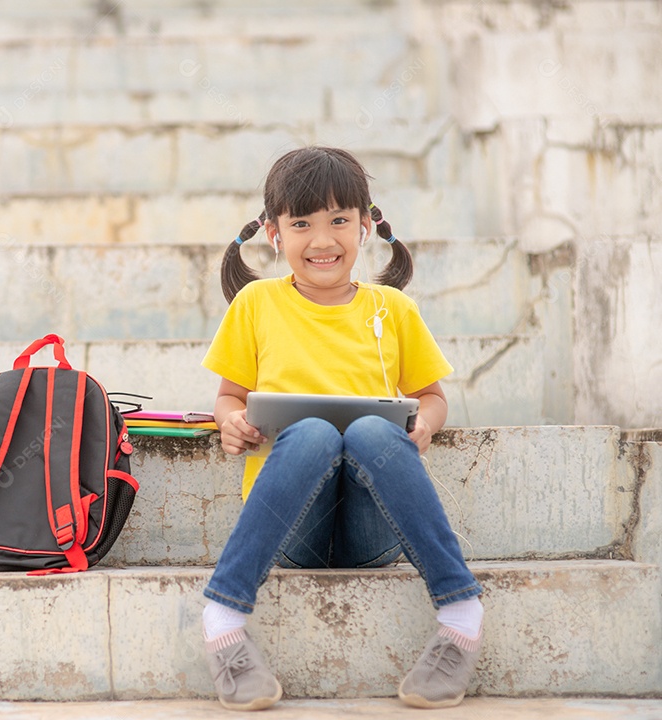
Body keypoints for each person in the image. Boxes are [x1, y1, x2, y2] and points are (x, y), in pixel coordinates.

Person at [200, 147, 484, 711]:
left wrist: (424, 425)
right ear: (274, 233)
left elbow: (432, 398)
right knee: (311, 434)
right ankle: (224, 616)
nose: (322, 239)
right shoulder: (257, 304)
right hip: (292, 525)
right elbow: (229, 396)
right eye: (301, 223)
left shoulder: (392, 310)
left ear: (365, 225)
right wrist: (231, 421)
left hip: (373, 523)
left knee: (374, 435)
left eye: (339, 220)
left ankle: (460, 612)